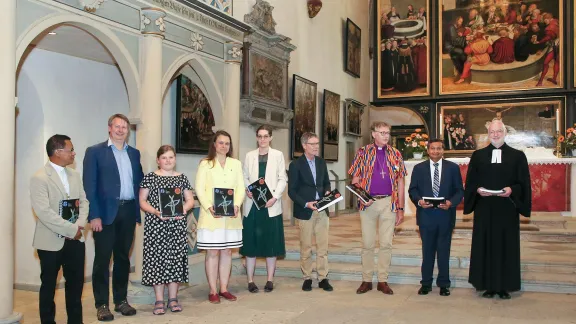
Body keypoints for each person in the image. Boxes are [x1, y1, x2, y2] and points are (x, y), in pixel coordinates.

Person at [83, 113, 144, 321]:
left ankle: (121, 301)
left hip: (128, 211)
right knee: (102, 260)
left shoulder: (134, 154)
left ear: (128, 130)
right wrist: (94, 215)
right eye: (117, 126)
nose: (120, 130)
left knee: (122, 259)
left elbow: (140, 183)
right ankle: (101, 304)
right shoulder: (95, 152)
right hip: (105, 215)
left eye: (124, 127)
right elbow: (89, 187)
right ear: (109, 128)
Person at [464, 119, 531, 299]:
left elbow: (523, 183)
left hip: (506, 209)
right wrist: (477, 190)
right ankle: (487, 286)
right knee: (485, 245)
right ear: (488, 134)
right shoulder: (478, 155)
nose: (495, 134)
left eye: (498, 131)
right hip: (484, 209)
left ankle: (504, 287)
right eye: (492, 131)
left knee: (505, 246)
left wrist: (512, 190)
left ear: (505, 133)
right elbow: (471, 181)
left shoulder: (517, 156)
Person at [30, 134, 89, 324]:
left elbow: (84, 201)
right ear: (57, 152)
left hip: (75, 240)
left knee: (76, 286)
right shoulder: (39, 177)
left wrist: (79, 225)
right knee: (48, 287)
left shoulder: (75, 175)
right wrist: (72, 229)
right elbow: (43, 212)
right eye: (70, 149)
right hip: (50, 242)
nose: (74, 153)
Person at [348, 121, 407, 295]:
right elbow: (355, 180)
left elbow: (401, 182)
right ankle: (367, 280)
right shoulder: (363, 152)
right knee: (367, 243)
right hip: (368, 203)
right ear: (373, 134)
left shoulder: (396, 154)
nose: (386, 136)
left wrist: (401, 208)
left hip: (389, 202)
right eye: (382, 132)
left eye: (387, 132)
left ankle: (383, 280)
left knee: (386, 243)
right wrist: (362, 197)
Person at [138, 145, 195, 314]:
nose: (168, 160)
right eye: (164, 158)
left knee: (175, 260)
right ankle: (159, 300)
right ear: (158, 160)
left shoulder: (182, 178)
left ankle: (173, 298)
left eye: (171, 157)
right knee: (158, 261)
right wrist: (156, 211)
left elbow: (190, 200)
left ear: (175, 159)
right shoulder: (150, 178)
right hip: (156, 226)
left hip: (176, 226)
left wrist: (183, 210)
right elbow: (142, 201)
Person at [195, 130, 246, 303]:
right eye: (221, 142)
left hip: (231, 217)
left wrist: (237, 204)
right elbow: (199, 189)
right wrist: (210, 207)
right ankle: (212, 290)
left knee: (227, 252)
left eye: (227, 143)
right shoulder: (205, 164)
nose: (224, 146)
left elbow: (240, 188)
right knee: (212, 253)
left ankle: (224, 288)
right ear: (214, 144)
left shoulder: (236, 164)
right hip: (212, 217)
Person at [408, 139, 463, 296]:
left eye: (439, 148)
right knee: (427, 251)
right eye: (433, 148)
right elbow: (413, 190)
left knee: (444, 251)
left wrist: (451, 202)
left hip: (445, 215)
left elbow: (459, 190)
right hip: (426, 215)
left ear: (443, 150)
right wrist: (418, 200)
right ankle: (426, 284)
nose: (436, 151)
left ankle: (444, 284)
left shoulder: (453, 168)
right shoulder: (419, 168)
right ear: (428, 150)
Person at [241, 125, 287, 293]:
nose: (262, 139)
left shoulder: (278, 155)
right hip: (252, 206)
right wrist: (248, 189)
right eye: (260, 136)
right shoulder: (249, 155)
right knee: (251, 244)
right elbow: (245, 175)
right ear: (256, 138)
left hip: (270, 205)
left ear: (271, 138)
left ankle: (269, 280)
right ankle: (251, 281)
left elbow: (283, 178)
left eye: (266, 136)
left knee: (270, 243)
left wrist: (274, 197)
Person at [288, 132, 333, 292]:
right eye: (313, 144)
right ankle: (307, 277)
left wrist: (327, 191)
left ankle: (323, 277)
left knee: (323, 246)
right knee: (306, 246)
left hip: (322, 209)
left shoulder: (321, 163)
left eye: (317, 144)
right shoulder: (296, 165)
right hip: (305, 211)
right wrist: (306, 203)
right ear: (304, 146)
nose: (316, 147)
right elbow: (292, 192)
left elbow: (326, 182)